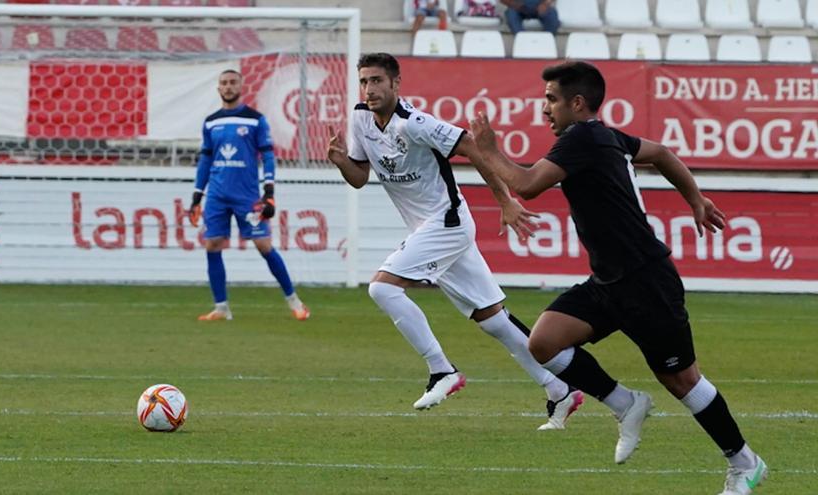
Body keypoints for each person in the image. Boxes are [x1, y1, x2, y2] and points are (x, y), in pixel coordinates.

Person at [468, 60, 767, 494]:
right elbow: (662, 153)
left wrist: (489, 150)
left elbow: (529, 184)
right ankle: (625, 403)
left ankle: (745, 463)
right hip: (609, 281)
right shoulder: (604, 136)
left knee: (682, 381)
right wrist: (696, 199)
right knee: (544, 342)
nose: (544, 109)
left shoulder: (584, 137)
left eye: (551, 99)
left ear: (577, 102)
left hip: (646, 282)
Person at [326, 53, 583, 430]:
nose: (370, 89)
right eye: (364, 81)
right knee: (493, 321)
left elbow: (471, 146)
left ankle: (441, 370)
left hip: (446, 223)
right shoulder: (361, 117)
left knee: (382, 289)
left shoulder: (415, 123)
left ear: (396, 84)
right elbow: (360, 176)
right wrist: (340, 161)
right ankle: (559, 388)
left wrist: (504, 201)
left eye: (378, 81)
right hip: (429, 229)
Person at [188, 69, 310, 322]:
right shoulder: (211, 122)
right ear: (218, 88)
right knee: (212, 244)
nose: (228, 86)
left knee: (264, 245)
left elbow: (267, 156)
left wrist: (269, 192)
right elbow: (205, 160)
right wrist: (197, 196)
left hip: (247, 197)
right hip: (217, 196)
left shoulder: (255, 120)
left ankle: (295, 302)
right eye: (224, 83)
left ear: (241, 87)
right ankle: (221, 308)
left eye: (233, 82)